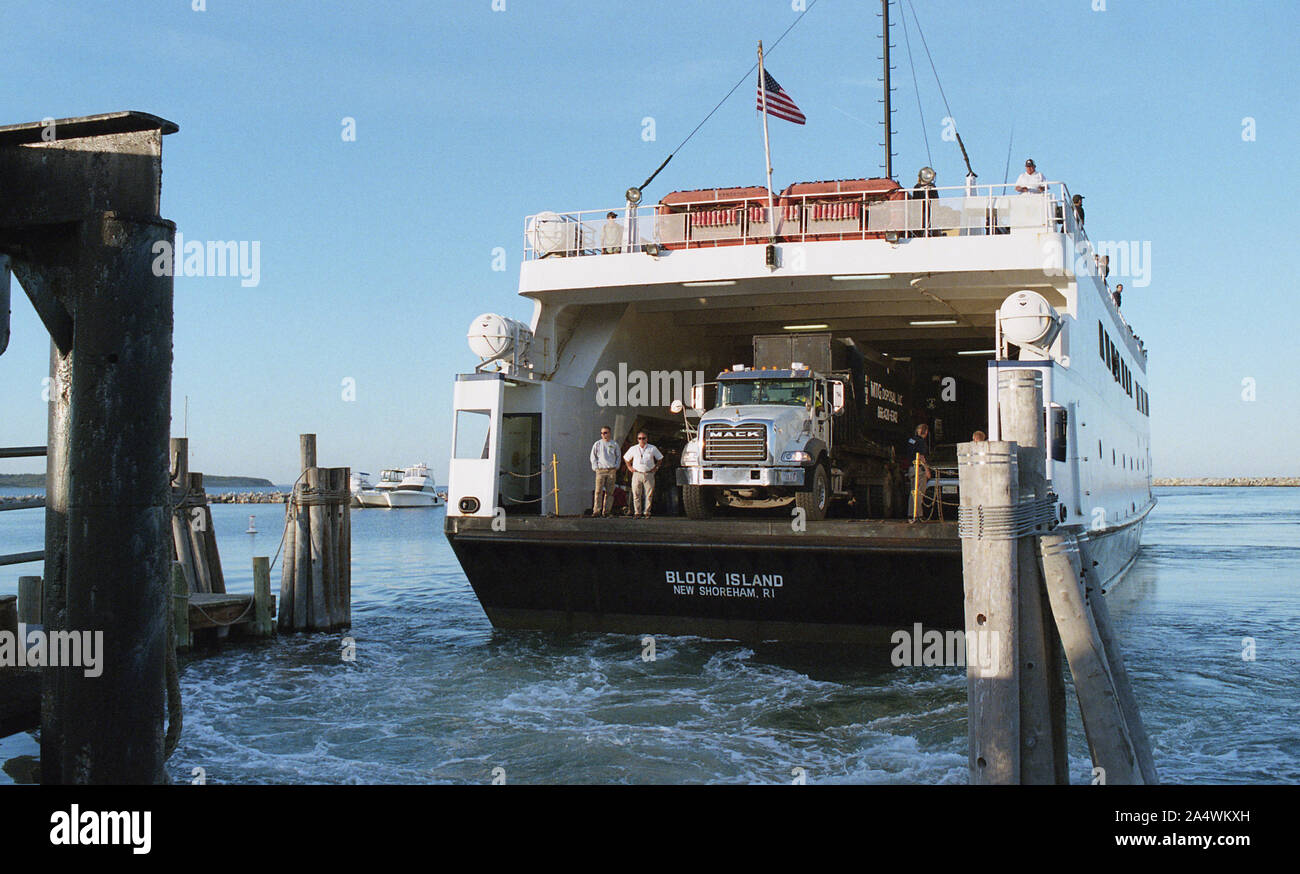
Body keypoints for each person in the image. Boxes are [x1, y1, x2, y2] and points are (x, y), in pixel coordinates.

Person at [623, 431, 663, 519]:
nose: (641, 440)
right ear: (637, 439)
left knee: (649, 494)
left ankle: (647, 512)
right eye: (640, 438)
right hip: (637, 473)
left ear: (647, 439)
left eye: (643, 438)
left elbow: (660, 458)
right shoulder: (633, 448)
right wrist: (629, 467)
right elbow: (626, 458)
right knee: (636, 494)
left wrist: (656, 468)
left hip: (648, 474)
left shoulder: (652, 448)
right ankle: (637, 512)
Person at [590, 426, 621, 516]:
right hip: (601, 470)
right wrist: (595, 467)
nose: (603, 435)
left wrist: (616, 467)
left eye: (605, 433)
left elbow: (618, 456)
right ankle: (596, 511)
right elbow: (593, 456)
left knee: (610, 492)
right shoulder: (597, 444)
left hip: (611, 470)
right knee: (598, 491)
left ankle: (607, 511)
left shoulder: (614, 444)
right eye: (602, 433)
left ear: (609, 433)